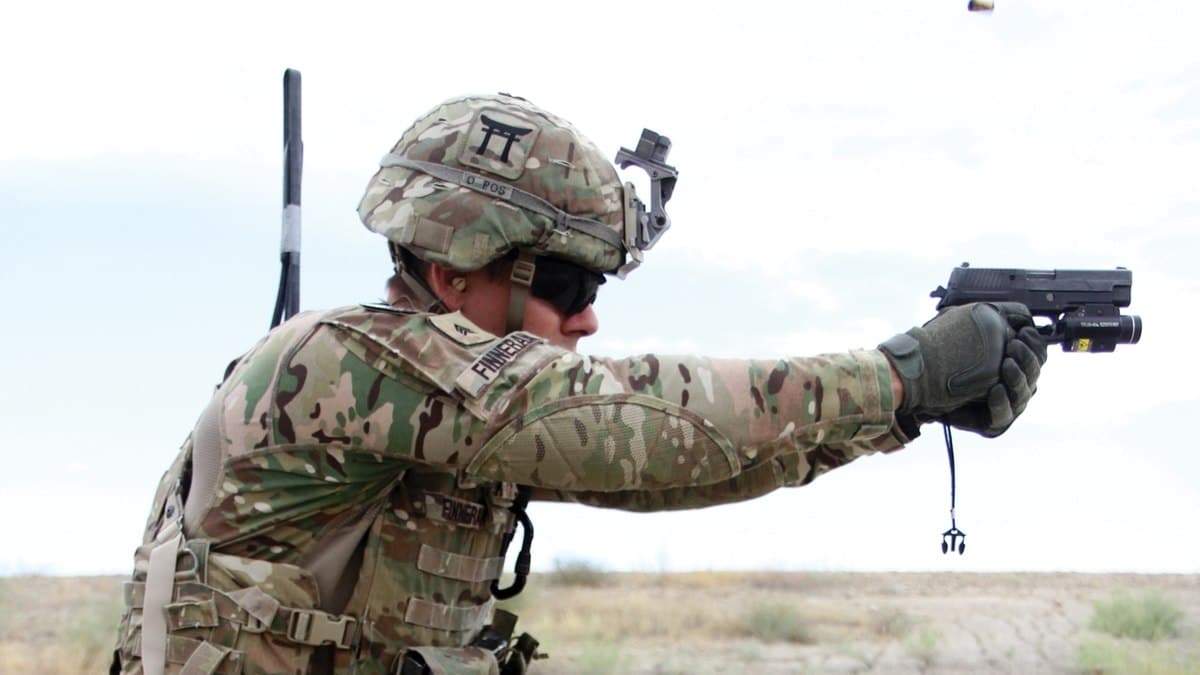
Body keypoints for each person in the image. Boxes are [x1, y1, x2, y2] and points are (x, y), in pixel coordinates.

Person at [112, 93, 1046, 675]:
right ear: (454, 275)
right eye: (566, 288)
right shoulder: (341, 362)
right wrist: (894, 373)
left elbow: (677, 468)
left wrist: (902, 412)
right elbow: (621, 423)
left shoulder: (455, 410)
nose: (587, 319)